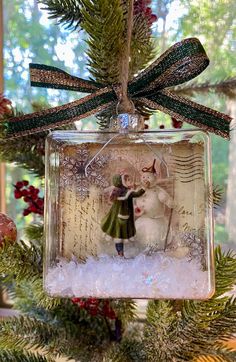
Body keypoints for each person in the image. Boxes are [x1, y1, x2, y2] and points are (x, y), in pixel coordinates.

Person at [101, 173, 145, 257]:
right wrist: (144, 187)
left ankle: (120, 253)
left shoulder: (116, 191)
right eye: (127, 180)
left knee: (118, 237)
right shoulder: (127, 192)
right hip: (123, 218)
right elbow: (138, 194)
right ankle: (120, 254)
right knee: (120, 236)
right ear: (122, 182)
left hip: (117, 218)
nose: (130, 181)